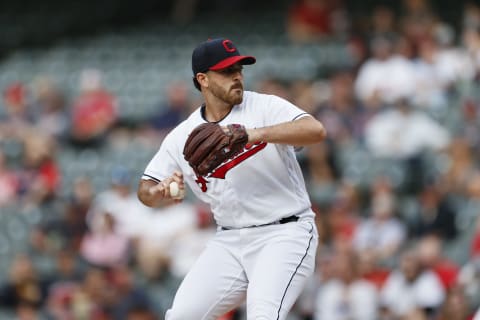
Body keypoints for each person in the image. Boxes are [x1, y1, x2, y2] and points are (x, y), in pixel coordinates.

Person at [137, 38, 326, 319]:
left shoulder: (264, 107)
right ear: (203, 79)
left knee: (263, 315)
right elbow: (145, 190)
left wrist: (254, 134)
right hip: (229, 240)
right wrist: (158, 192)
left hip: (285, 233)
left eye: (239, 69)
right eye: (226, 71)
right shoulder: (182, 134)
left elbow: (315, 130)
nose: (237, 76)